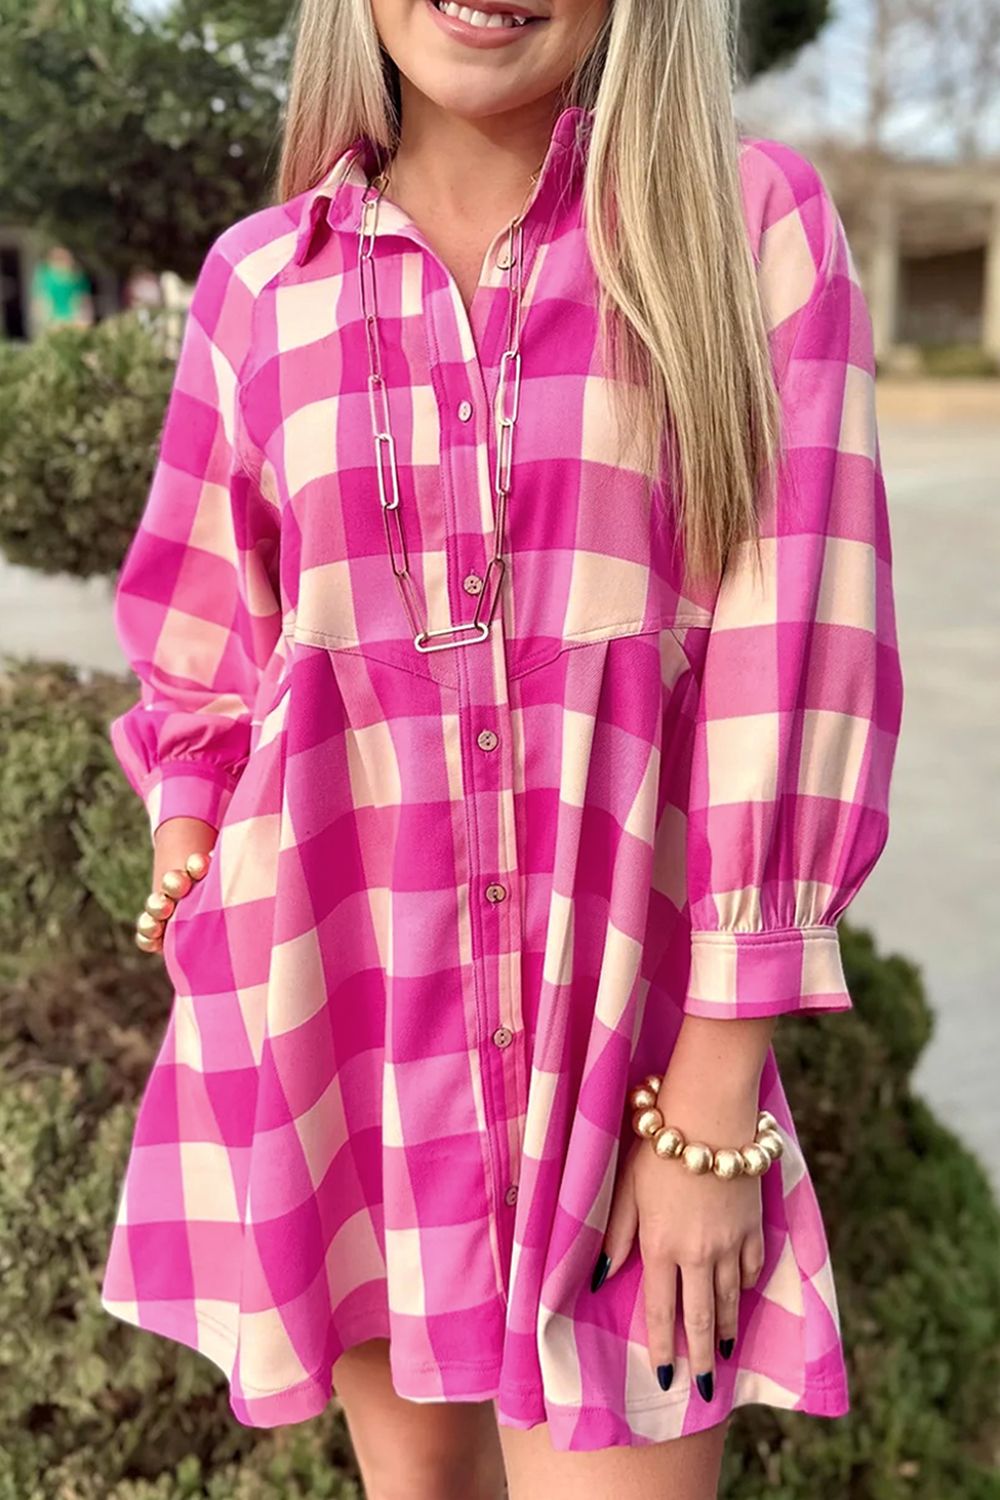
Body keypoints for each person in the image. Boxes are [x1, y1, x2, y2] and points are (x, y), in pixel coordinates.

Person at [99, 0, 904, 1495]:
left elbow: (797, 659)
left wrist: (711, 1111)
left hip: (631, 1064)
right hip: (338, 1032)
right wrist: (191, 849)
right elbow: (205, 638)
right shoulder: (259, 282)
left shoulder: (742, 231)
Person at [30, 244, 94, 331]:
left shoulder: (78, 276)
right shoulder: (45, 276)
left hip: (74, 321)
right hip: (53, 321)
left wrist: (84, 320)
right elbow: (41, 300)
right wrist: (45, 320)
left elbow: (84, 300)